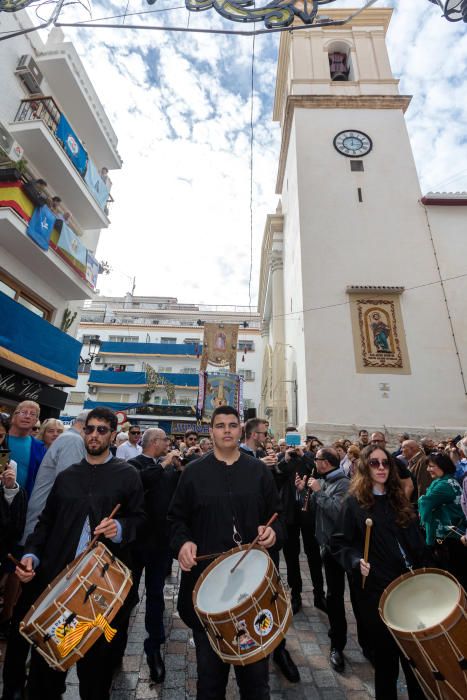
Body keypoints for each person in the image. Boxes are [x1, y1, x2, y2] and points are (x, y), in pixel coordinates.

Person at [7, 407, 145, 700]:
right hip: (59, 583)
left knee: (95, 676)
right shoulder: (68, 475)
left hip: (102, 591)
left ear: (112, 435)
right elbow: (46, 523)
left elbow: (141, 521)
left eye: (102, 430)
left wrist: (119, 527)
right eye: (90, 429)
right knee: (46, 675)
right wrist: (32, 554)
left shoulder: (128, 475)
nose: (94, 435)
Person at [168, 406, 283, 700]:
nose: (227, 430)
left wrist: (273, 532)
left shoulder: (258, 470)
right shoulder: (193, 472)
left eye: (233, 425)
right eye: (221, 425)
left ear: (240, 430)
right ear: (212, 431)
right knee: (209, 683)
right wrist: (182, 543)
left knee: (257, 684)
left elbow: (278, 515)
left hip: (253, 592)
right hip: (208, 590)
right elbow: (176, 519)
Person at [331, 444, 426, 700]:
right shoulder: (353, 504)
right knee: (386, 664)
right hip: (377, 592)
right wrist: (355, 560)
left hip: (408, 588)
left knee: (415, 663)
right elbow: (339, 543)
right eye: (374, 463)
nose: (382, 468)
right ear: (364, 467)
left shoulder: (398, 498)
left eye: (385, 463)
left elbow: (413, 542)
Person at [299, 447, 365, 672]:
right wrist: (304, 491)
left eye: (316, 459)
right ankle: (337, 644)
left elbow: (338, 512)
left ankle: (367, 644)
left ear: (325, 462)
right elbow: (315, 510)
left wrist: (318, 492)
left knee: (357, 597)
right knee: (334, 597)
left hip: (347, 548)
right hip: (330, 548)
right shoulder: (324, 480)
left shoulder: (344, 484)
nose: (314, 462)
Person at [129, 428, 183, 684]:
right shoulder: (133, 465)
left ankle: (154, 648)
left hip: (160, 543)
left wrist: (180, 469)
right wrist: (164, 464)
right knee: (127, 596)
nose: (168, 444)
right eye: (165, 440)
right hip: (134, 543)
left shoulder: (170, 468)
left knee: (155, 596)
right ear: (153, 443)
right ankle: (114, 645)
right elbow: (141, 482)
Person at [21, 411, 88, 545]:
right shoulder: (73, 440)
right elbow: (69, 487)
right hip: (45, 519)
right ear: (87, 425)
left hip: (44, 517)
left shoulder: (70, 438)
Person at [277, 434, 326, 617]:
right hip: (289, 514)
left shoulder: (309, 458)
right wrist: (287, 457)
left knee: (314, 554)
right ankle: (295, 594)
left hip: (308, 513)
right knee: (291, 556)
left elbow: (318, 471)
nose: (293, 447)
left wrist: (303, 454)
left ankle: (319, 594)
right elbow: (277, 475)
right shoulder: (282, 459)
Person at [418, 451, 467, 589]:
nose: (428, 469)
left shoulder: (443, 485)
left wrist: (422, 500)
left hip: (448, 539)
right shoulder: (446, 481)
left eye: (432, 466)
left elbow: (425, 503)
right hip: (453, 535)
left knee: (453, 578)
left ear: (443, 466)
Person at [7, 401, 46, 498]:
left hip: (22, 503)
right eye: (24, 412)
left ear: (36, 420)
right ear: (14, 416)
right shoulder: (2, 438)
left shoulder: (39, 447)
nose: (27, 416)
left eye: (33, 414)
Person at [370, 432, 413, 499]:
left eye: (379, 441)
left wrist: (403, 505)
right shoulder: (366, 460)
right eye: (374, 441)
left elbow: (409, 485)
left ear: (384, 442)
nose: (376, 444)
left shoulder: (394, 461)